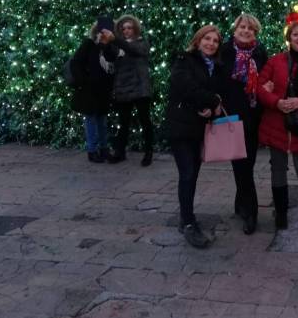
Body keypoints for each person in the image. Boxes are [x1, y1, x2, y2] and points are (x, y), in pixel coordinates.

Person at [257, 21, 298, 232]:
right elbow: (259, 87)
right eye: (295, 34)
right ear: (289, 39)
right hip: (276, 123)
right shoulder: (275, 61)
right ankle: (281, 213)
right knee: (278, 169)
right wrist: (276, 101)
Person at [164, 25, 227, 248]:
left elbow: (216, 92)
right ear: (198, 40)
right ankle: (188, 222)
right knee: (188, 173)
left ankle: (186, 216)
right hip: (181, 126)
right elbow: (185, 88)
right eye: (207, 39)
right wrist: (212, 102)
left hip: (199, 128)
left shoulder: (215, 66)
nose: (210, 43)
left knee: (193, 173)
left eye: (215, 40)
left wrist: (212, 105)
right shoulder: (184, 59)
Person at [221, 13, 268, 235]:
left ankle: (244, 206)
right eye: (242, 27)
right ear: (235, 29)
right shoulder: (225, 51)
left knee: (246, 165)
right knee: (239, 165)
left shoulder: (260, 52)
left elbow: (267, 78)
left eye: (251, 28)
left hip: (252, 117)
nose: (246, 31)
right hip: (230, 116)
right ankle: (251, 212)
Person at [70, 15, 118, 163]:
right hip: (90, 89)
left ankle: (104, 149)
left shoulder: (110, 46)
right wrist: (83, 81)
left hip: (104, 89)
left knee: (102, 120)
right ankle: (92, 150)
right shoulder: (89, 44)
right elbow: (76, 63)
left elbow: (112, 61)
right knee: (91, 120)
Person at [109, 14, 154, 167]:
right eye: (124, 28)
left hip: (140, 87)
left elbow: (133, 49)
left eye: (129, 28)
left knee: (145, 121)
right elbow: (110, 57)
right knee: (123, 122)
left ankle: (148, 153)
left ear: (135, 29)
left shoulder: (142, 43)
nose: (127, 31)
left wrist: (115, 40)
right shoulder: (118, 45)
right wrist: (104, 43)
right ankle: (120, 152)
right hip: (123, 87)